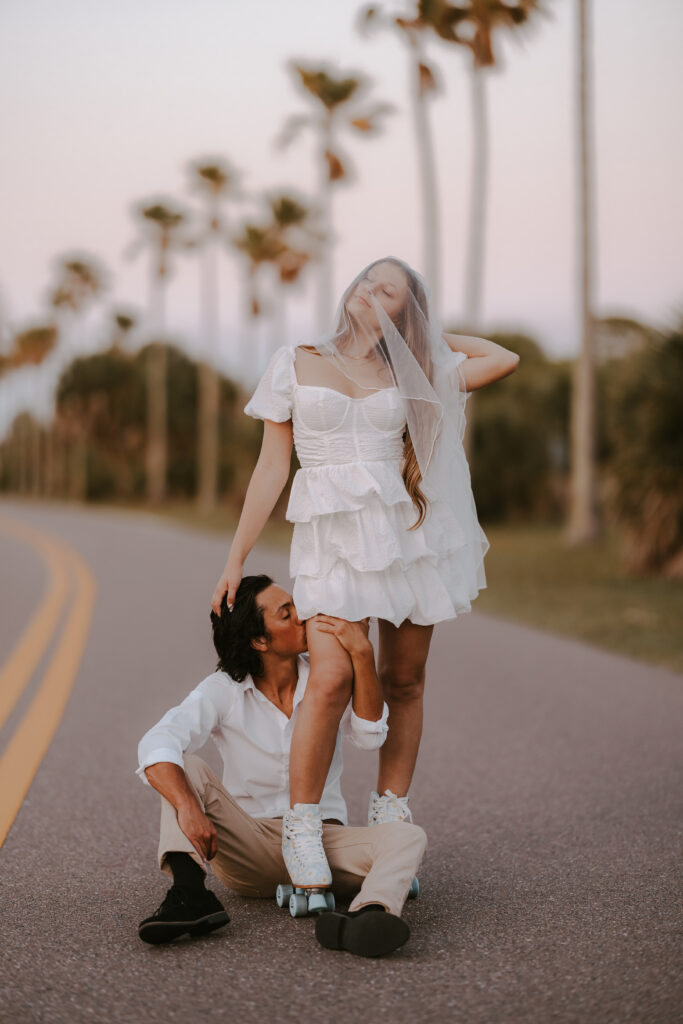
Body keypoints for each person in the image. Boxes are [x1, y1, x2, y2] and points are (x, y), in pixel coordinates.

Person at [211, 256, 520, 891]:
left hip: (406, 538)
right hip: (330, 542)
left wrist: (428, 336)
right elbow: (273, 468)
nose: (373, 295)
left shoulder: (419, 371)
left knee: (404, 679)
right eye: (369, 282)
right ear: (350, 288)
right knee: (327, 678)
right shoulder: (294, 360)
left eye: (392, 293)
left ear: (405, 311)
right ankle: (302, 825)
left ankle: (389, 811)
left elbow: (502, 359)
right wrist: (235, 558)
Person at [137, 574, 427, 958]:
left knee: (407, 837)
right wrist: (190, 807)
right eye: (287, 614)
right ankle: (189, 895)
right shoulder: (224, 689)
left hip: (322, 845)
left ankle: (369, 914)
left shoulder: (328, 679)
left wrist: (361, 654)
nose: (304, 617)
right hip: (251, 845)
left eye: (298, 606)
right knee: (183, 766)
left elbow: (371, 735)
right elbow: (157, 743)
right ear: (260, 640)